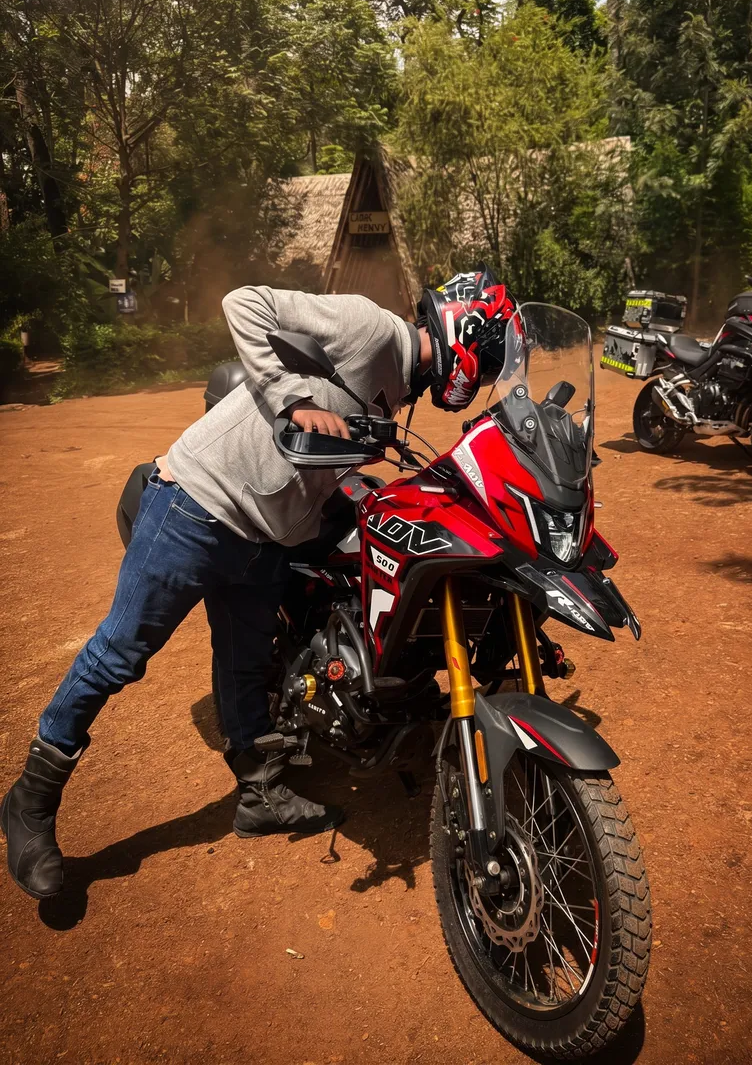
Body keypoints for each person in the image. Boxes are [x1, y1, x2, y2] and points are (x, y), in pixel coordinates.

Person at [1, 271, 517, 900]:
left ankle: (259, 795)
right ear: (467, 326)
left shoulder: (399, 387)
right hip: (196, 506)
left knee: (245, 665)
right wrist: (291, 401)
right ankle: (30, 801)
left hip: (265, 537)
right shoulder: (372, 328)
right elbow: (243, 302)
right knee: (118, 654)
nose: (483, 376)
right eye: (489, 357)